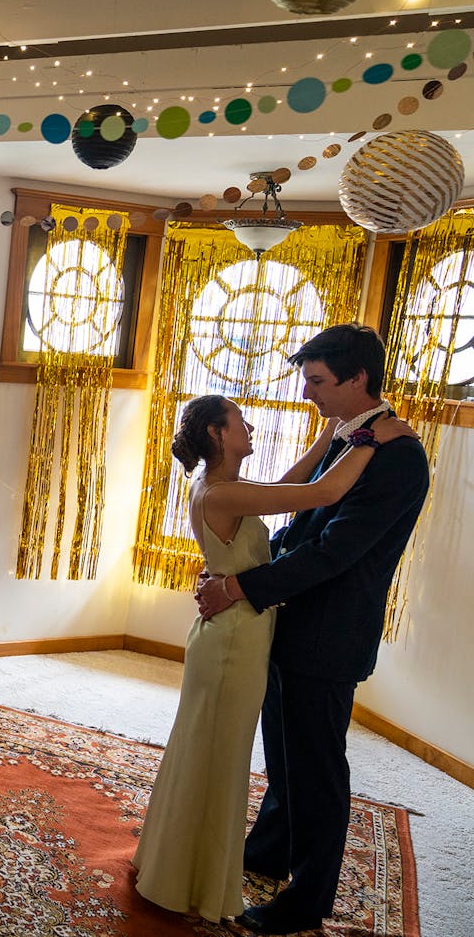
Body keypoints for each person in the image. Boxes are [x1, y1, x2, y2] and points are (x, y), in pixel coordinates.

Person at [132, 393, 414, 923]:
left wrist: (329, 437)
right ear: (217, 434)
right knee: (222, 758)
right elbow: (321, 493)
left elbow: (286, 486)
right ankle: (193, 880)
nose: (251, 425)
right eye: (240, 420)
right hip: (235, 640)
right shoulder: (223, 493)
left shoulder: (219, 487)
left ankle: (178, 860)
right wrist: (372, 437)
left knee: (208, 748)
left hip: (230, 633)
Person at [194, 324, 430, 935]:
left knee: (316, 767)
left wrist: (240, 587)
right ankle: (270, 849)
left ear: (357, 379)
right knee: (284, 752)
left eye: (318, 381)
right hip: (290, 619)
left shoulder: (397, 455)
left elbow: (333, 552)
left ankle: (307, 899)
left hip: (330, 632)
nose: (308, 391)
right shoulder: (356, 439)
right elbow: (302, 511)